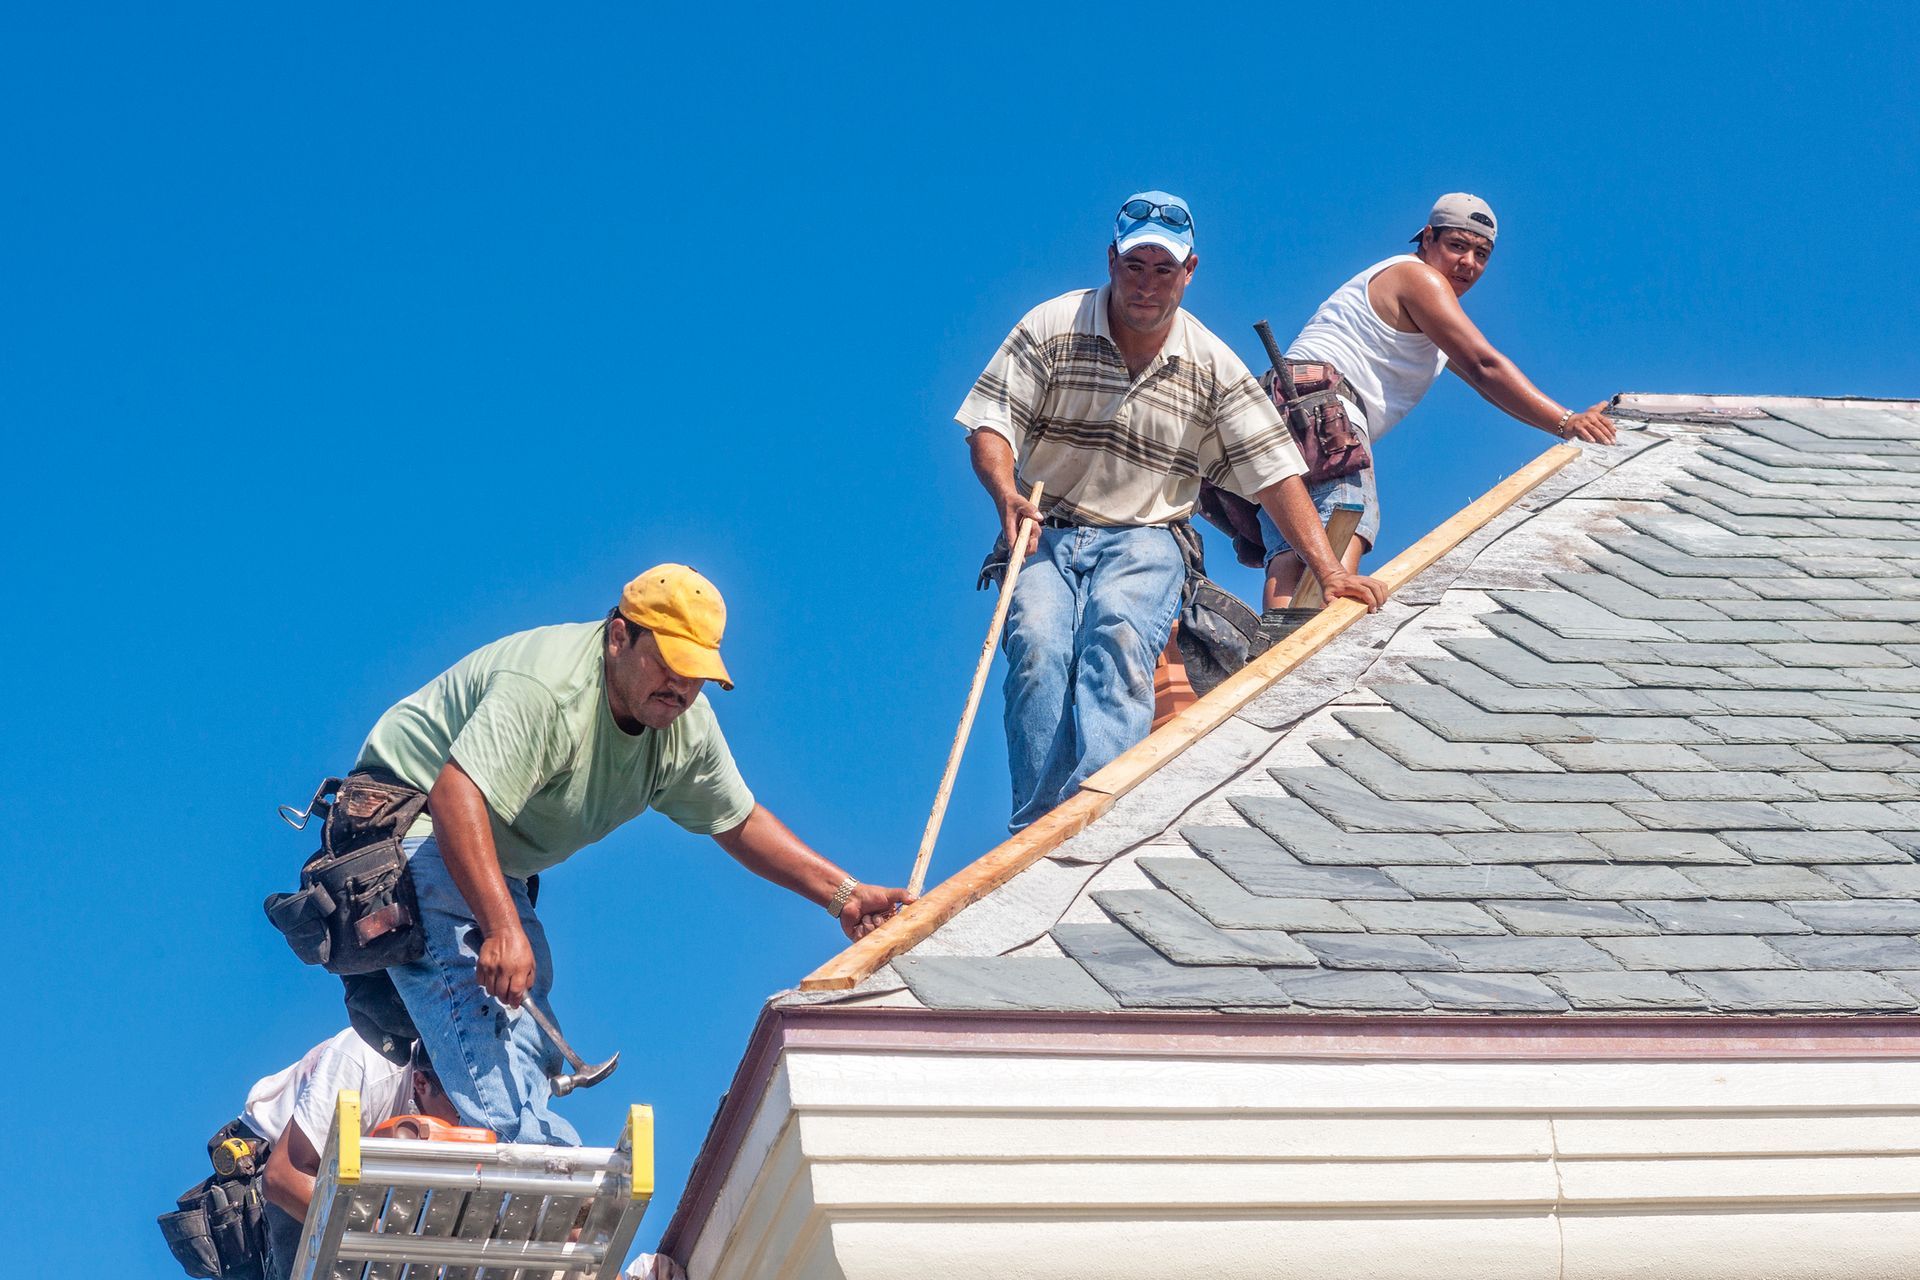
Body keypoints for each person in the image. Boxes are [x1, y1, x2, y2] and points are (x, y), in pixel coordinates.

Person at [352, 565, 913, 1145]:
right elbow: (455, 796)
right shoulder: (549, 690)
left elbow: (738, 820)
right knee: (474, 984)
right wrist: (498, 924)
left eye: (696, 675)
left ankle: (532, 1140)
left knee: (527, 977)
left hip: (481, 846)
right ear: (619, 637)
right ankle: (528, 1151)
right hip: (404, 822)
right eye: (667, 665)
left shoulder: (682, 727)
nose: (681, 688)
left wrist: (843, 896)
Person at [957, 192, 1386, 830]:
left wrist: (1329, 571)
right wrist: (1006, 496)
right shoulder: (1053, 326)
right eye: (1135, 267)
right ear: (1111, 261)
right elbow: (990, 424)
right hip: (1046, 525)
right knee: (1037, 650)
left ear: (1189, 273)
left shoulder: (1208, 365)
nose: (1147, 285)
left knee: (1118, 640)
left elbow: (1274, 472)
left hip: (1146, 535)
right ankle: (1039, 830)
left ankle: (1099, 810)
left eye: (1165, 270)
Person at [1255, 192, 1619, 609]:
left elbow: (1486, 382)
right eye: (1457, 246)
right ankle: (1311, 654)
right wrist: (1567, 421)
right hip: (1325, 412)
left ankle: (1276, 653)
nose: (1468, 263)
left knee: (1295, 549)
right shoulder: (1416, 278)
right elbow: (1485, 365)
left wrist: (1561, 419)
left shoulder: (1424, 321)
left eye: (1481, 254)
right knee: (1341, 526)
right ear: (1428, 238)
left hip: (1278, 411)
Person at [245, 1030, 459, 1279]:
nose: (467, 1124)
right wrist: (391, 1246)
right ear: (421, 1082)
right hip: (283, 1187)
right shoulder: (369, 1060)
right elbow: (282, 1177)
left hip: (350, 1187)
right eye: (459, 1111)